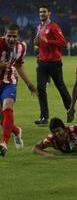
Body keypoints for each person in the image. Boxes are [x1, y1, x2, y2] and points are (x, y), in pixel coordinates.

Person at [0, 24, 38, 156]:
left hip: (9, 82)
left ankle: (4, 143)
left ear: (18, 36)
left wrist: (29, 84)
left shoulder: (21, 47)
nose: (11, 39)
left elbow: (19, 66)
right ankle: (16, 131)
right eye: (8, 36)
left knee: (7, 107)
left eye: (14, 36)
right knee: (2, 119)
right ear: (4, 34)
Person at [34, 5, 71, 125]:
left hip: (54, 63)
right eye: (40, 12)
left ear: (49, 13)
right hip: (42, 63)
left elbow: (63, 42)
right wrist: (38, 43)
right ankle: (44, 117)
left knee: (61, 87)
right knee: (40, 88)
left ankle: (70, 110)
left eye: (44, 11)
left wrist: (48, 41)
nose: (42, 13)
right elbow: (41, 43)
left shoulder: (54, 27)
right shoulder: (39, 27)